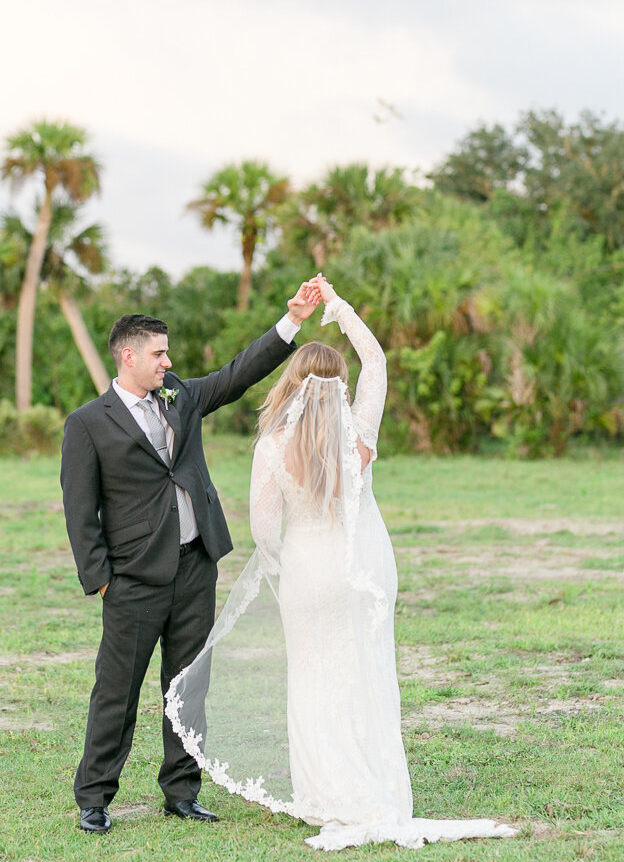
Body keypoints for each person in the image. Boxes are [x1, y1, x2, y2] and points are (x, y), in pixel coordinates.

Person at [166, 275, 518, 851]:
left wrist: (285, 561)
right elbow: (375, 361)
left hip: (308, 570)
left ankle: (326, 795)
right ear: (337, 387)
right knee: (365, 673)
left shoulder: (273, 446)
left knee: (311, 677)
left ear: (292, 385)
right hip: (364, 569)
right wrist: (340, 308)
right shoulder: (359, 431)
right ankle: (373, 787)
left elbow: (261, 526)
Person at [60, 282, 321, 835]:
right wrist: (101, 580)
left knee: (188, 686)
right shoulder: (87, 423)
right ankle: (95, 798)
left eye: (167, 352)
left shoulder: (180, 393)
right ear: (127, 356)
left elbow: (236, 373)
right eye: (158, 353)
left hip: (196, 564)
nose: (168, 361)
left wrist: (291, 320)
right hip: (131, 580)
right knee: (117, 692)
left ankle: (181, 791)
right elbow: (80, 511)